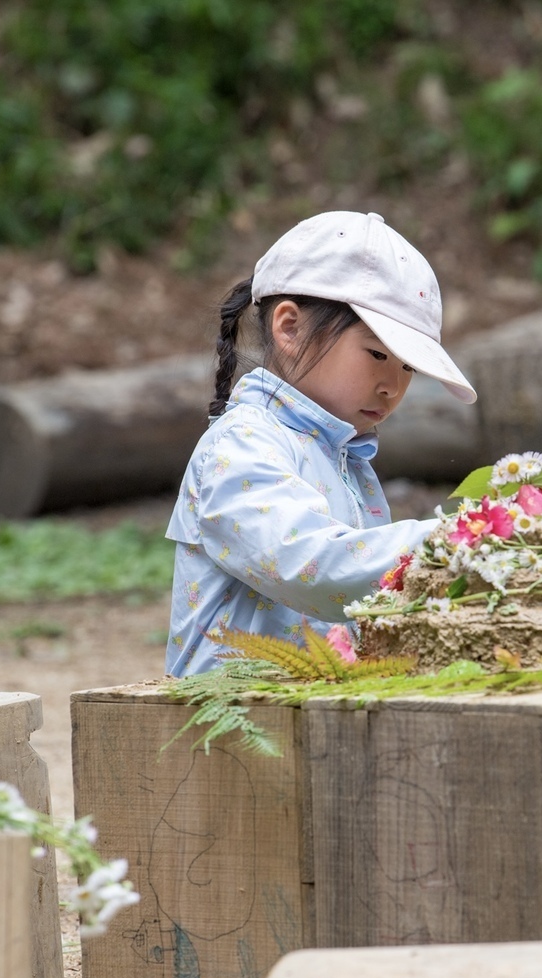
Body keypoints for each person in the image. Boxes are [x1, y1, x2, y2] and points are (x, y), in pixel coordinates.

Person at [165, 210, 477, 677]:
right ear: (288, 328)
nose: (394, 385)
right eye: (376, 354)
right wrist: (461, 538)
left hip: (306, 715)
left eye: (408, 367)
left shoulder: (346, 459)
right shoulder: (241, 445)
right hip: (230, 726)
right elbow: (314, 567)